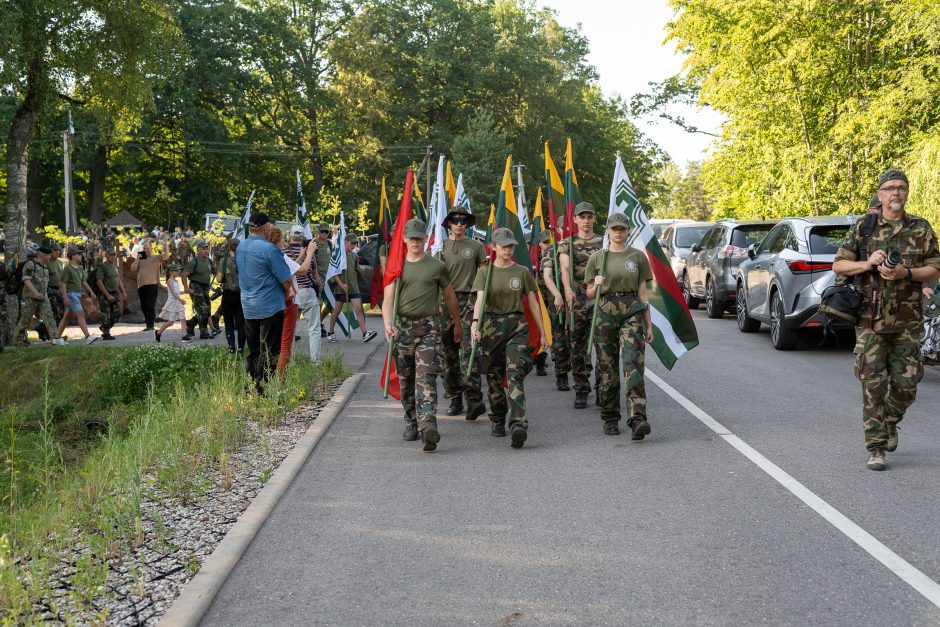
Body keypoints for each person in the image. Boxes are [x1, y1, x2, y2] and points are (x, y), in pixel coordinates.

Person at [832, 169, 940, 471]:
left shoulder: (920, 228)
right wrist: (868, 263)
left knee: (907, 385)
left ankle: (890, 421)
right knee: (873, 385)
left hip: (908, 320)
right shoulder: (864, 228)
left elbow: (935, 266)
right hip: (870, 320)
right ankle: (876, 447)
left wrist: (906, 273)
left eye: (902, 188)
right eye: (890, 188)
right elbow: (839, 264)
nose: (896, 193)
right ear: (879, 194)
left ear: (907, 193)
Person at [382, 219, 461, 452]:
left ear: (425, 239)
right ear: (405, 239)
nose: (415, 242)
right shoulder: (396, 266)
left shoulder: (436, 266)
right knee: (406, 379)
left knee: (426, 376)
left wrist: (457, 324)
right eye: (411, 238)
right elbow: (387, 301)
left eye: (419, 238)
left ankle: (428, 426)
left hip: (429, 328)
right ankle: (411, 420)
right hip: (402, 328)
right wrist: (388, 325)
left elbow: (450, 297)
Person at [470, 228, 548, 448]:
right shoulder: (485, 273)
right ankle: (497, 418)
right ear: (493, 247)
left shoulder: (522, 272)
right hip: (491, 327)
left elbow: (533, 302)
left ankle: (518, 424)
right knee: (494, 376)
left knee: (515, 373)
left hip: (516, 326)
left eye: (511, 245)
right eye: (503, 245)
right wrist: (476, 323)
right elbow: (480, 301)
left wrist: (542, 333)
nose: (508, 249)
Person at [585, 213, 654, 438]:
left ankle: (637, 418)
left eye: (622, 229)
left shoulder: (637, 257)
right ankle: (610, 416)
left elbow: (643, 293)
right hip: (605, 312)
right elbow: (589, 294)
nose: (618, 232)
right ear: (607, 230)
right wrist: (595, 285)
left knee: (632, 362)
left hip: (631, 310)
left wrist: (649, 325)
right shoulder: (597, 258)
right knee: (608, 366)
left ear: (627, 231)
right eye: (614, 229)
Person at [235, 213, 294, 394]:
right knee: (270, 350)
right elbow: (286, 280)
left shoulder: (240, 247)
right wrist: (286, 291)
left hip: (248, 305)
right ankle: (262, 389)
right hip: (270, 305)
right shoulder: (270, 249)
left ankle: (249, 387)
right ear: (266, 227)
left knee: (253, 350)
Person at [440, 205, 487, 420]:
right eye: (455, 220)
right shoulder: (439, 246)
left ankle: (474, 399)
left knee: (468, 350)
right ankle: (455, 397)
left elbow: (484, 274)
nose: (459, 224)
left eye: (463, 220)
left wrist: (482, 300)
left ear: (468, 224)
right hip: (445, 302)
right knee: (448, 352)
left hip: (469, 300)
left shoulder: (477, 246)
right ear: (449, 222)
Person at [558, 201, 603, 408]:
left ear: (594, 218)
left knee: (603, 344)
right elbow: (565, 269)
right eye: (581, 217)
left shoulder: (604, 243)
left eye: (589, 217)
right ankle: (581, 388)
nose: (585, 221)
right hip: (578, 298)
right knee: (577, 344)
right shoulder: (567, 243)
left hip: (601, 297)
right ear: (574, 219)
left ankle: (604, 388)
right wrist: (567, 289)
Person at [327, 233, 377, 343]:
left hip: (353, 288)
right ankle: (330, 332)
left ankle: (365, 333)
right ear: (346, 242)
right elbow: (335, 272)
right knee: (337, 310)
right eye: (352, 243)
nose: (354, 246)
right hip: (341, 288)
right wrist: (341, 284)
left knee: (358, 309)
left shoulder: (354, 256)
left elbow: (356, 270)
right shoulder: (339, 255)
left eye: (355, 244)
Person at [12, 246, 66, 346]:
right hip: (30, 297)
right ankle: (17, 340)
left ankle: (55, 338)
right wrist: (35, 293)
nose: (49, 257)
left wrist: (42, 294)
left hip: (43, 297)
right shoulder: (31, 264)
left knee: (49, 317)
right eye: (48, 255)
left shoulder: (45, 266)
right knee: (25, 319)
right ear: (42, 255)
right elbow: (26, 279)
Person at [541, 219, 571, 390]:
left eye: (569, 226)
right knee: (559, 334)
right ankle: (562, 373)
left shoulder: (579, 248)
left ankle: (582, 373)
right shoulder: (551, 250)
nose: (566, 230)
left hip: (579, 297)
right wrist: (557, 294)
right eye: (562, 227)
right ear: (557, 229)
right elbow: (547, 276)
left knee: (577, 336)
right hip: (557, 296)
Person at [285, 226, 321, 361]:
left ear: (289, 235)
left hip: (292, 292)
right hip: (307, 291)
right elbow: (314, 273)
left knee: (291, 330)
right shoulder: (309, 253)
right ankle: (315, 361)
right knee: (314, 329)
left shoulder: (283, 252)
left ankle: (290, 361)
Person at [57, 249, 98, 344]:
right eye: (79, 254)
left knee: (67, 317)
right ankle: (88, 337)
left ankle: (56, 338)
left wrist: (91, 291)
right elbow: (63, 284)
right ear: (73, 256)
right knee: (80, 313)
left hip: (77, 294)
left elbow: (83, 281)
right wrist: (65, 297)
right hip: (70, 294)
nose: (81, 256)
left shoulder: (79, 268)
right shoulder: (67, 269)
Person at [132, 238, 170, 330]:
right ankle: (148, 323)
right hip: (141, 285)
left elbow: (166, 257)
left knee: (150, 305)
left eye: (147, 248)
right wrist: (137, 259)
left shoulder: (156, 258)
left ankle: (150, 325)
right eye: (144, 249)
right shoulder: (141, 258)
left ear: (151, 249)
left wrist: (165, 246)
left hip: (152, 284)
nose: (145, 250)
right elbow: (133, 268)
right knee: (143, 306)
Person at [182, 238, 215, 340]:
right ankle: (204, 332)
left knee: (207, 310)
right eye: (204, 249)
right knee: (203, 309)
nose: (206, 251)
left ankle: (190, 324)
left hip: (205, 287)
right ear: (198, 250)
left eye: (207, 249)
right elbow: (184, 275)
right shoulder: (194, 262)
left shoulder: (209, 261)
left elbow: (214, 271)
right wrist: (186, 288)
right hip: (196, 286)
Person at [216, 239, 246, 353]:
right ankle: (241, 348)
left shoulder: (224, 260)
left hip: (228, 294)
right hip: (242, 294)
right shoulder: (244, 260)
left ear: (229, 247)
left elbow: (219, 279)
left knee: (228, 322)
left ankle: (231, 348)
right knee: (241, 323)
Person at [96, 248, 124, 340]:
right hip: (105, 294)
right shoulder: (102, 267)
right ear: (107, 256)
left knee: (117, 313)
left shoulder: (114, 266)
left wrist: (123, 291)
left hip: (114, 293)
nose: (113, 257)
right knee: (106, 314)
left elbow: (118, 280)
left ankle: (104, 327)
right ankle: (106, 334)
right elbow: (99, 282)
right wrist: (107, 295)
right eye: (111, 255)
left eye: (114, 255)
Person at [156, 264, 188, 343]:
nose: (178, 272)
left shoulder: (176, 281)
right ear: (171, 272)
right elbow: (173, 293)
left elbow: (177, 292)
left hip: (178, 302)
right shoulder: (169, 281)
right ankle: (158, 332)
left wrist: (184, 292)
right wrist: (180, 299)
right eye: (176, 271)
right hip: (173, 303)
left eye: (179, 270)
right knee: (171, 322)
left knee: (183, 319)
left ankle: (184, 336)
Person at [314, 222, 333, 338]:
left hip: (329, 277)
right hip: (318, 278)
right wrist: (316, 277)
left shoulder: (329, 244)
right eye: (323, 231)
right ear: (318, 232)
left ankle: (319, 321)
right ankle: (318, 326)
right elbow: (312, 262)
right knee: (319, 302)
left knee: (331, 303)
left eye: (327, 232)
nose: (325, 234)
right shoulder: (314, 244)